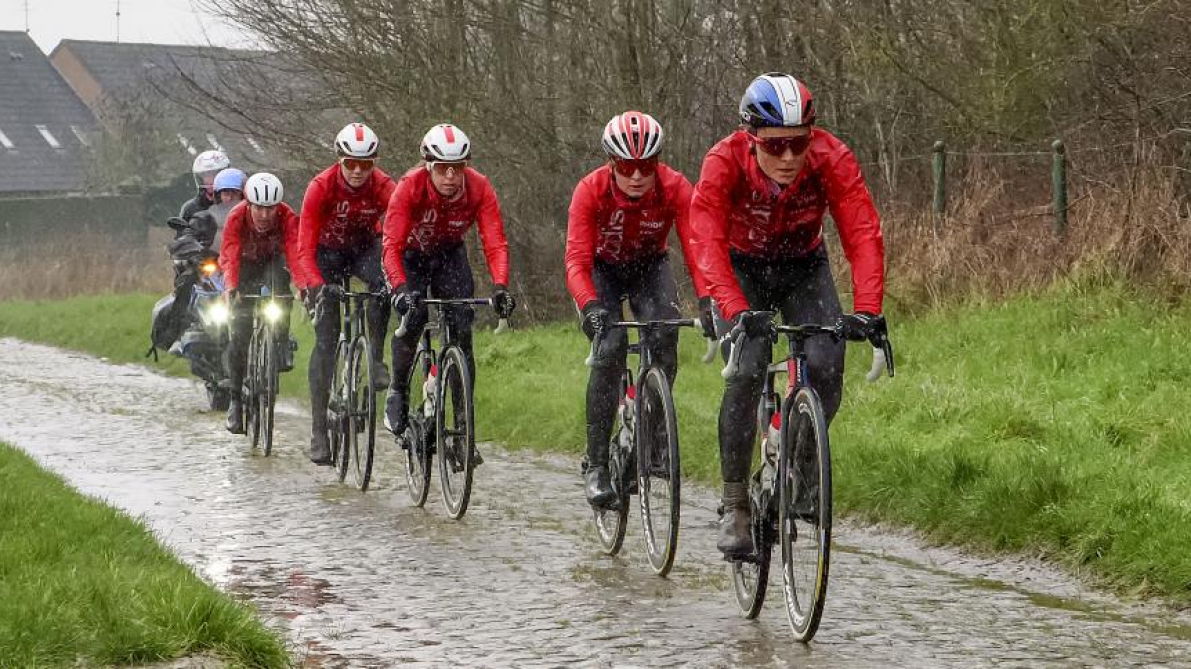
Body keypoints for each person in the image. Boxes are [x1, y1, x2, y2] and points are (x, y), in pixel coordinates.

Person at [689, 73, 887, 557]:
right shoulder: (723, 162)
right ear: (750, 138)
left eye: (798, 144)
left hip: (803, 265)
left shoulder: (831, 158)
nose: (788, 158)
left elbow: (862, 233)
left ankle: (800, 467)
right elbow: (705, 240)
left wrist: (867, 311)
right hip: (742, 267)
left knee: (826, 359)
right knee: (749, 367)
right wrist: (734, 310)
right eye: (774, 146)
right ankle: (735, 503)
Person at [564, 111, 709, 508]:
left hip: (649, 266)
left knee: (665, 334)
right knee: (610, 347)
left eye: (646, 166)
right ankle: (595, 464)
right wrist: (590, 305)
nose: (637, 176)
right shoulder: (589, 191)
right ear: (613, 164)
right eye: (627, 167)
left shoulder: (676, 187)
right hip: (601, 271)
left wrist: (709, 299)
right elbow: (576, 259)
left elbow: (697, 249)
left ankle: (652, 436)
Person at [381, 123, 514, 461]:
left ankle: (463, 433)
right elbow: (391, 246)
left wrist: (500, 286)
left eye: (458, 168)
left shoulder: (480, 188)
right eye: (443, 169)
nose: (451, 176)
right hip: (409, 257)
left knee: (462, 332)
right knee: (413, 319)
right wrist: (398, 289)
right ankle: (397, 391)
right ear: (429, 166)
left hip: (448, 256)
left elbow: (494, 241)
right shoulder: (410, 187)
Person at [295, 122, 397, 465]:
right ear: (339, 159)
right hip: (326, 254)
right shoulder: (320, 187)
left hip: (364, 249)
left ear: (374, 163)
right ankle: (319, 430)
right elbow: (303, 246)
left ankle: (377, 358)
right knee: (326, 339)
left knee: (383, 287)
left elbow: (400, 226)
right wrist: (315, 285)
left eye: (365, 164)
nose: (357, 171)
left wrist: (400, 274)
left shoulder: (384, 186)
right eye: (350, 163)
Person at [219, 172, 302, 434]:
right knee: (240, 334)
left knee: (281, 289)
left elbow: (294, 251)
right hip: (244, 265)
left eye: (270, 209)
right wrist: (231, 287)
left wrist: (301, 285)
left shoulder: (287, 217)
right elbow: (230, 253)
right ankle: (235, 401)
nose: (265, 215)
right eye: (259, 208)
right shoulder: (236, 217)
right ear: (249, 204)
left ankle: (279, 341)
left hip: (273, 262)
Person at [180, 150, 230, 221]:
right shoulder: (190, 208)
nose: (209, 180)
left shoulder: (236, 203)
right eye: (205, 175)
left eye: (214, 174)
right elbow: (182, 231)